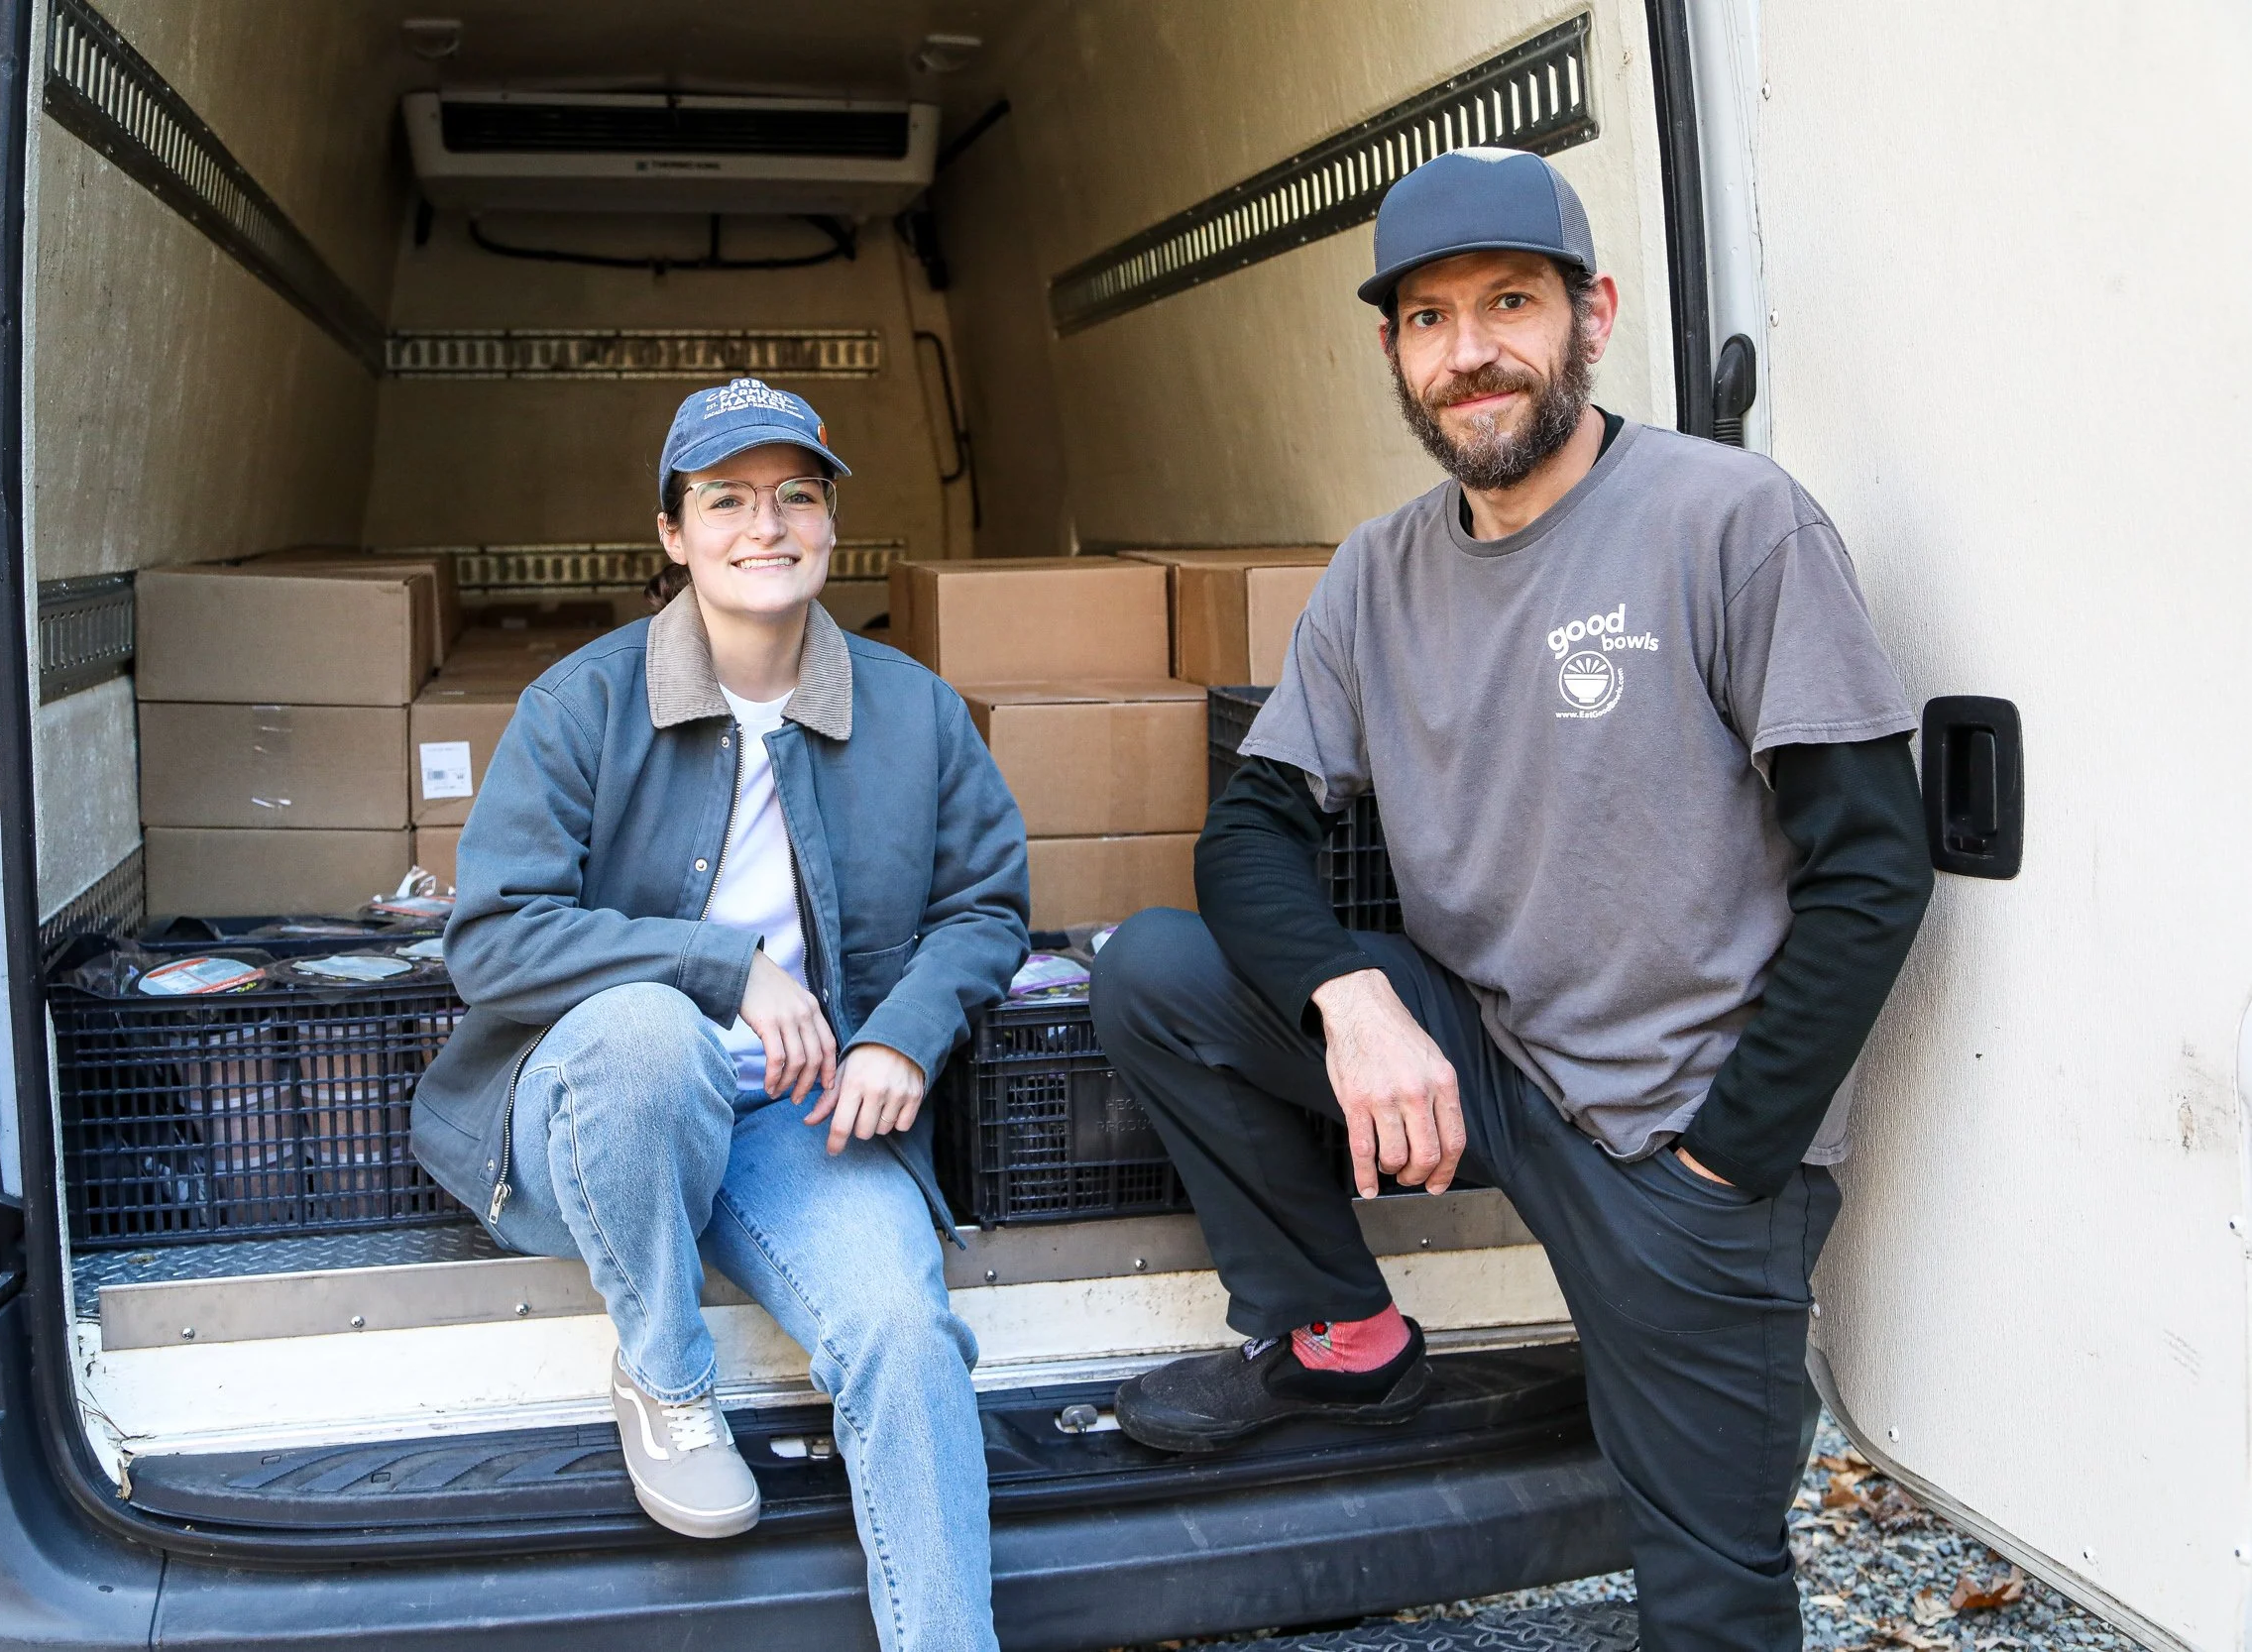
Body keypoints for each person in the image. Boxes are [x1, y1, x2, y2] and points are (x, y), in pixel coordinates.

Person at [1090, 149, 1934, 1650]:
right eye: (1428, 317)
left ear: (1591, 314)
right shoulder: (1377, 571)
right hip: (1486, 1046)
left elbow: (1874, 863)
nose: (1468, 348)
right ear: (1393, 351)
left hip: (1681, 1126)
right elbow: (1254, 831)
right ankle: (1337, 1328)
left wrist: (1730, 1162)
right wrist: (1350, 1001)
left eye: (1508, 303)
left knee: (1709, 1585)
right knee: (1158, 968)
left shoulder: (1732, 521)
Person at [409, 377, 1028, 1652]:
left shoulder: (913, 708)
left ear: (831, 524)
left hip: (794, 1121)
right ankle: (665, 1370)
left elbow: (986, 905)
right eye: (727, 499)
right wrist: (723, 966)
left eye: (796, 495)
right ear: (672, 534)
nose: (767, 524)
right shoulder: (579, 704)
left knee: (906, 1336)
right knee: (652, 1031)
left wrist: (902, 1031)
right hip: (595, 1115)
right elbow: (490, 936)